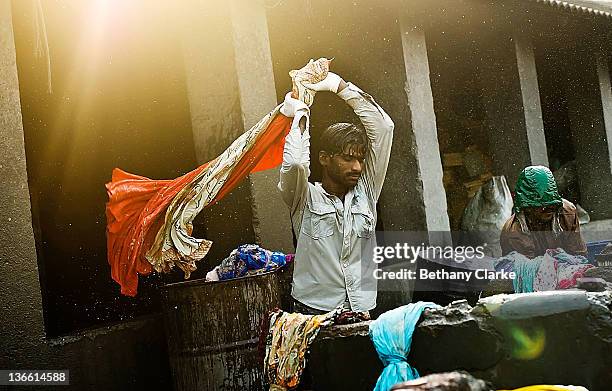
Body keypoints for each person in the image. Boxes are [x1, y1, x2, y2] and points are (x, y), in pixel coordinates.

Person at [278, 70, 394, 315]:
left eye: (361, 160)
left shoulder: (367, 190)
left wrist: (337, 86)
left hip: (362, 309)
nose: (357, 167)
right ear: (325, 159)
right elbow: (296, 164)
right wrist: (300, 113)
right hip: (314, 312)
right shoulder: (303, 197)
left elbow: (384, 127)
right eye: (347, 158)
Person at [500, 165, 587, 258]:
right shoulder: (514, 233)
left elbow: (578, 254)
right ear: (527, 207)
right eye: (542, 205)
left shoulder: (567, 212)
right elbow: (527, 269)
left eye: (552, 204)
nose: (550, 208)